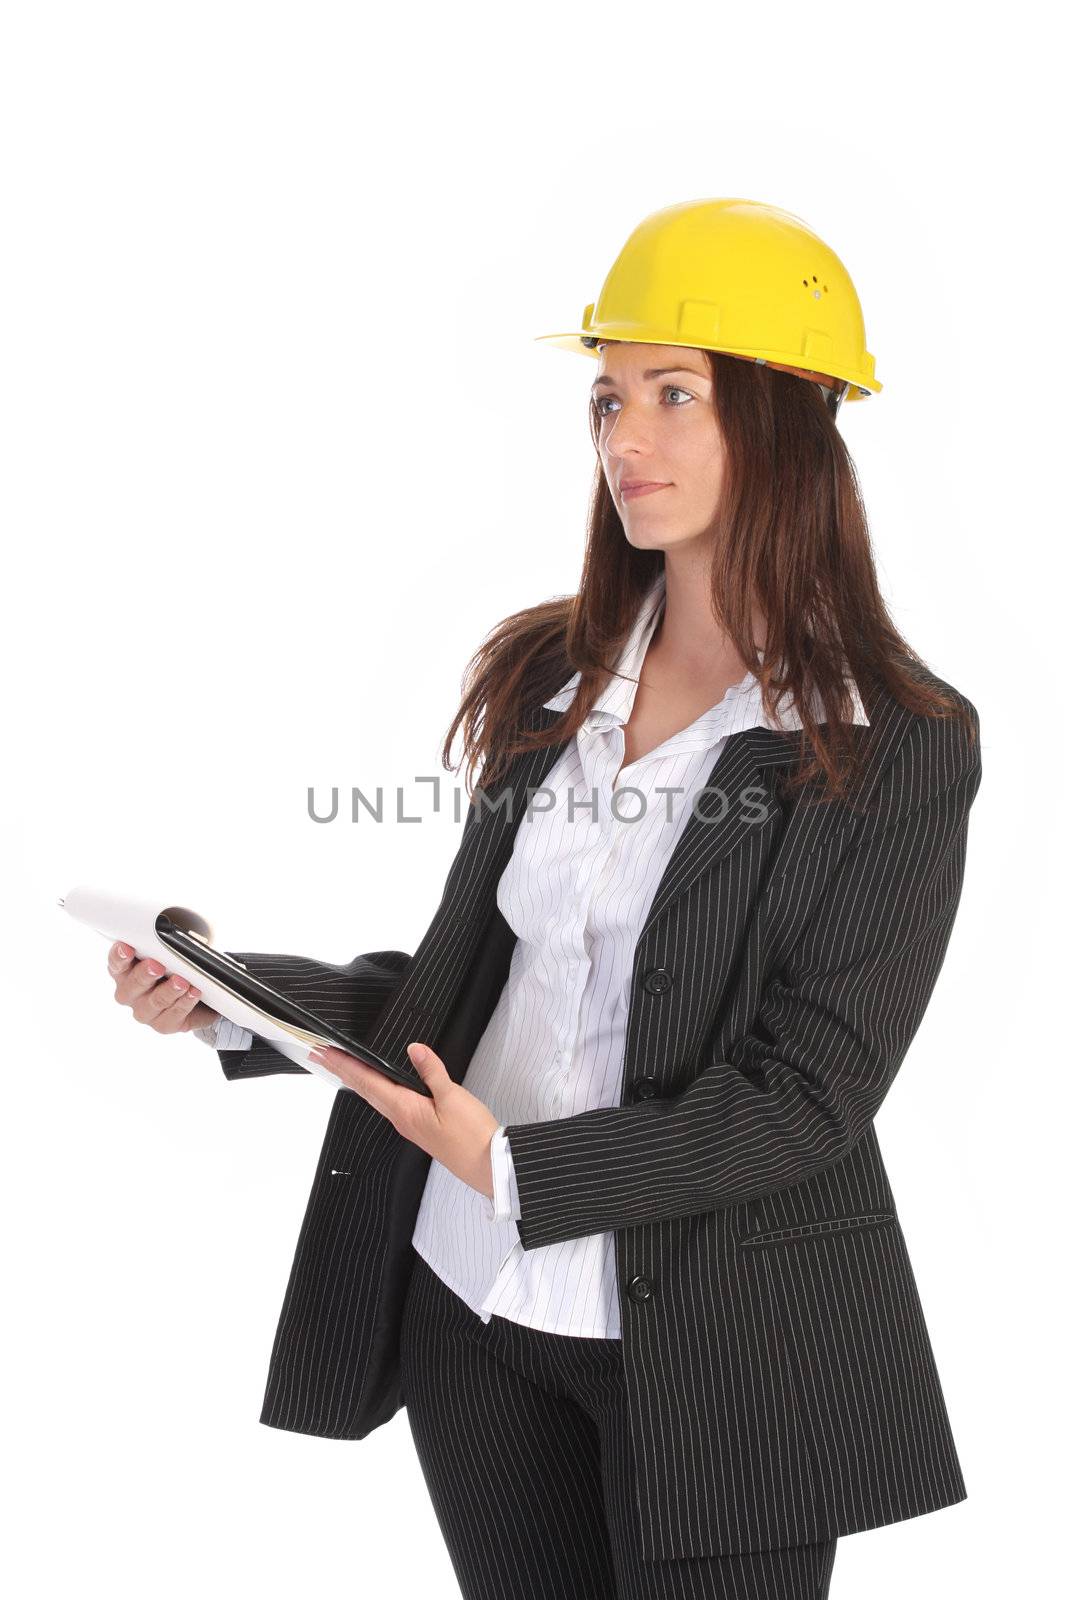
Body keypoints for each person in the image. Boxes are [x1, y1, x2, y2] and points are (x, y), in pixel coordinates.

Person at [103, 199, 981, 1600]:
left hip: (719, 1353)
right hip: (476, 1307)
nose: (625, 440)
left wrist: (521, 1170)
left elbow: (811, 1092)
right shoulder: (551, 677)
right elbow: (481, 986)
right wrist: (236, 1001)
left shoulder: (890, 741)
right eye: (609, 398)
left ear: (796, 418)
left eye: (675, 396)